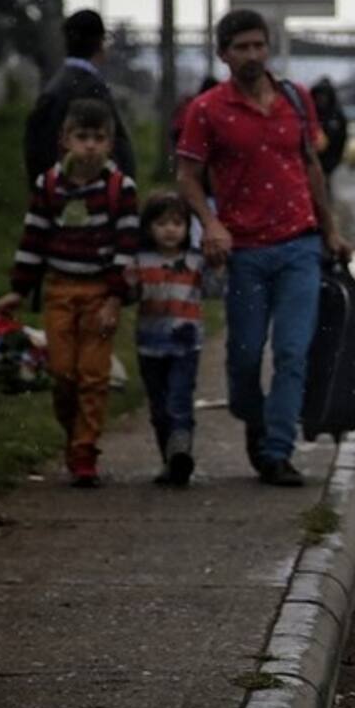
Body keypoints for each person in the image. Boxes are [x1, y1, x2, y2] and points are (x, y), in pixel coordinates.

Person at [176, 8, 350, 488]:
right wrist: (210, 223)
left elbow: (312, 166)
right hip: (245, 252)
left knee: (293, 351)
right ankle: (255, 420)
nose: (252, 55)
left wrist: (331, 231)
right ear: (223, 54)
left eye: (258, 45)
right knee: (247, 356)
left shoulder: (294, 98)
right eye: (241, 48)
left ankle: (278, 451)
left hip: (300, 245)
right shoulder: (207, 110)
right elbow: (187, 176)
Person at [0, 98, 140, 487]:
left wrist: (114, 300)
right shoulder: (49, 185)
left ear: (110, 143)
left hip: (99, 295)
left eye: (99, 138)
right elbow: (34, 238)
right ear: (65, 140)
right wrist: (18, 291)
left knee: (93, 376)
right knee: (62, 374)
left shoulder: (119, 188)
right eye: (82, 137)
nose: (90, 146)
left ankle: (84, 451)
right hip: (60, 290)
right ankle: (73, 434)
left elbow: (126, 249)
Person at [127, 191, 207, 487]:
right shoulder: (140, 261)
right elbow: (129, 295)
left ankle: (180, 452)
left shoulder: (196, 261)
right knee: (159, 406)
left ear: (188, 228)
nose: (170, 229)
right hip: (150, 343)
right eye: (161, 223)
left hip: (186, 344)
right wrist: (129, 285)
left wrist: (220, 264)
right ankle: (169, 459)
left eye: (177, 223)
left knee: (179, 400)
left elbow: (214, 288)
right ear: (148, 227)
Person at [24, 8, 136, 186]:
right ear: (100, 43)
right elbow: (119, 148)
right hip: (94, 198)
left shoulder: (54, 89)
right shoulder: (92, 89)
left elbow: (37, 152)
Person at [310, 77, 349, 191]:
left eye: (324, 96)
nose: (321, 100)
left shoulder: (336, 116)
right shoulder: (309, 115)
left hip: (329, 160)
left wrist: (334, 161)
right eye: (318, 96)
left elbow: (342, 138)